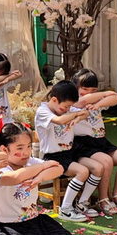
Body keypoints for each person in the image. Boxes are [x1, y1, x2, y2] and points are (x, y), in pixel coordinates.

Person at [34, 80, 102, 222]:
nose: (68, 109)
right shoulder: (43, 111)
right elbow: (59, 121)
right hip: (53, 156)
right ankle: (65, 209)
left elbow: (85, 113)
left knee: (98, 168)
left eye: (70, 106)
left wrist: (78, 117)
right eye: (66, 106)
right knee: (82, 172)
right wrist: (75, 115)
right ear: (54, 100)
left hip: (70, 152)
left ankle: (81, 204)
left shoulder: (66, 109)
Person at [71, 69, 117, 214]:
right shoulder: (73, 102)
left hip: (100, 142)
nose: (89, 93)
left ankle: (116, 195)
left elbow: (116, 97)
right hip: (82, 144)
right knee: (106, 161)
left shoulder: (97, 101)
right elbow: (83, 101)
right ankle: (103, 199)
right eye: (85, 89)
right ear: (75, 88)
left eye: (93, 90)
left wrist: (98, 104)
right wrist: (101, 95)